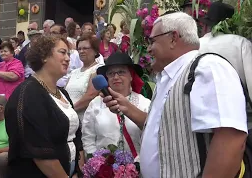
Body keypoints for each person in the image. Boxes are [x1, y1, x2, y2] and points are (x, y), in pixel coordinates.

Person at [102, 12, 247, 178]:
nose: (148, 49)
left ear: (173, 38)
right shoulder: (167, 79)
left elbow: (231, 139)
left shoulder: (207, 68)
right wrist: (127, 108)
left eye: (152, 41)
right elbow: (164, 130)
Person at [5, 35, 83, 177]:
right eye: (62, 52)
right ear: (44, 56)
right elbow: (39, 151)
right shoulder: (29, 93)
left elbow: (76, 137)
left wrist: (78, 171)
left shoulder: (63, 93)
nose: (67, 58)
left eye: (68, 54)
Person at [82, 52, 151, 157]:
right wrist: (97, 163)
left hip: (138, 166)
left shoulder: (145, 104)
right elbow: (88, 138)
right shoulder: (95, 104)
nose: (116, 77)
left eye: (121, 72)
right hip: (104, 169)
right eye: (111, 73)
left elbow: (151, 138)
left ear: (131, 76)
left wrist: (138, 164)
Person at [65, 33, 102, 121]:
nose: (81, 51)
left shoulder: (98, 69)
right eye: (79, 49)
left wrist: (69, 112)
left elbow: (90, 96)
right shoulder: (74, 72)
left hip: (85, 119)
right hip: (68, 117)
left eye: (85, 48)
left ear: (95, 51)